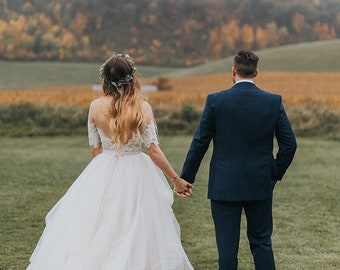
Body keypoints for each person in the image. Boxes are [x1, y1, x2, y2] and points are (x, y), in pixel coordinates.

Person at [27, 53, 194, 270]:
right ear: (132, 77)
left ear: (105, 79)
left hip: (103, 168)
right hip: (137, 171)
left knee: (100, 224)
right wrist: (175, 179)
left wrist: (107, 173)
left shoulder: (95, 106)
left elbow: (95, 148)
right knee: (137, 223)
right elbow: (153, 150)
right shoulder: (142, 107)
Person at [180, 50, 297, 270]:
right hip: (260, 183)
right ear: (256, 72)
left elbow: (200, 143)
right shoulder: (273, 101)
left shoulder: (215, 101)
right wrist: (274, 171)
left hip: (224, 184)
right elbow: (290, 144)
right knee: (262, 242)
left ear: (233, 71)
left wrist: (186, 177)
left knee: (227, 249)